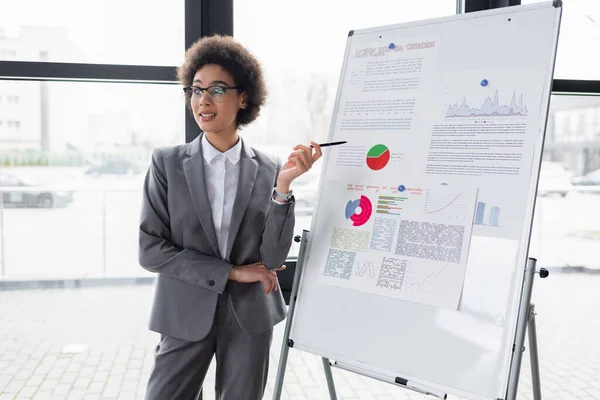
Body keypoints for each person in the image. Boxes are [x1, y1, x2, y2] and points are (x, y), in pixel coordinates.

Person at [138, 34, 322, 400]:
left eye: (217, 90)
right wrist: (233, 272)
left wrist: (283, 187)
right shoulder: (167, 163)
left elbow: (270, 258)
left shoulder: (271, 168)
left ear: (243, 98)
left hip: (249, 315)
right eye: (196, 90)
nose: (203, 101)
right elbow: (151, 250)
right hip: (184, 310)